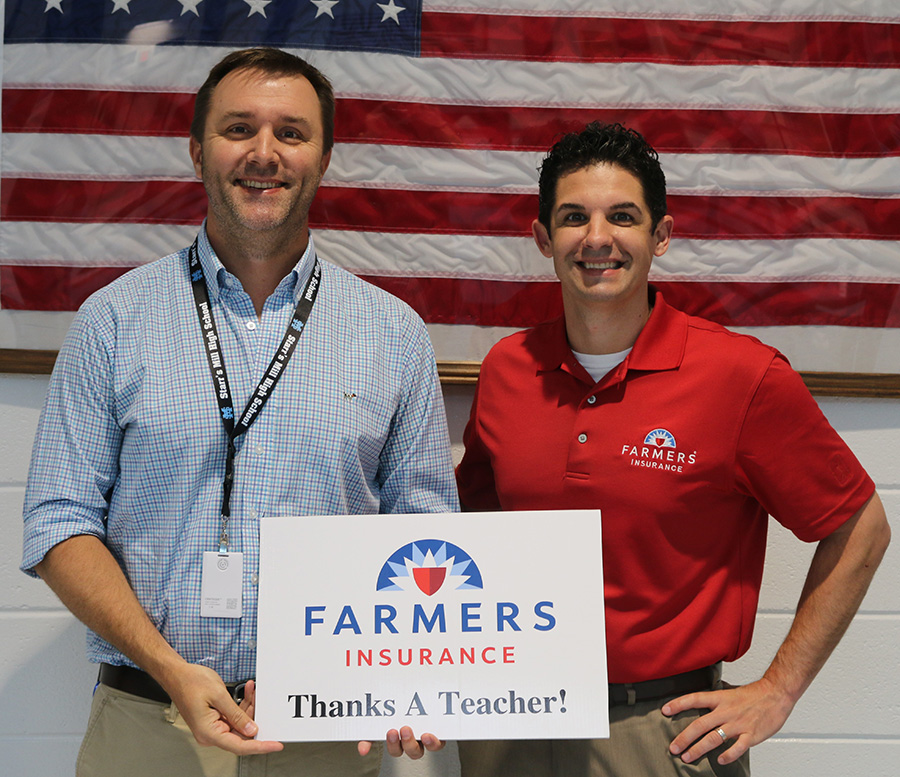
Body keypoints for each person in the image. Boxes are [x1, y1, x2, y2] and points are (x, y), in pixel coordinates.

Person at [21, 47, 456, 777]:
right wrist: (169, 667)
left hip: (323, 736)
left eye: (291, 132)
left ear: (323, 157)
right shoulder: (113, 321)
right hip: (148, 722)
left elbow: (423, 534)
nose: (264, 153)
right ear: (197, 152)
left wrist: (413, 674)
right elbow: (58, 521)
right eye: (237, 130)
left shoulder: (394, 333)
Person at [454, 122, 890, 776]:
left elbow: (862, 526)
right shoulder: (507, 369)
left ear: (661, 235)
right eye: (574, 217)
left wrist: (780, 687)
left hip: (660, 732)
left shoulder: (741, 375)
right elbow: (471, 547)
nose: (597, 238)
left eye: (622, 217)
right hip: (512, 716)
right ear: (544, 238)